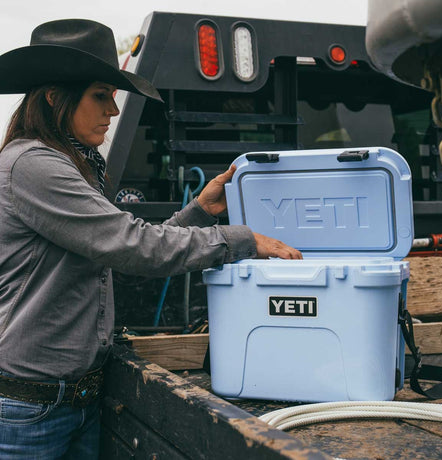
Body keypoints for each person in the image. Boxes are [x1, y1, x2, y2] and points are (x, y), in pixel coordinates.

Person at [0, 18, 302, 459]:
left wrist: (200, 211)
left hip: (72, 400)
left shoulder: (70, 164)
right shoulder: (33, 164)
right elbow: (132, 245)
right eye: (100, 95)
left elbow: (120, 248)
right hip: (33, 410)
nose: (113, 110)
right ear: (54, 97)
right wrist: (239, 240)